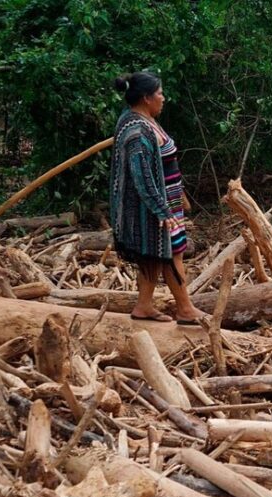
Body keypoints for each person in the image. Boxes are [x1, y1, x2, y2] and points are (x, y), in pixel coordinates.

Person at [109, 71, 206, 324]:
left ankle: (143, 306)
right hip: (150, 207)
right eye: (160, 93)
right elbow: (141, 176)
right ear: (146, 98)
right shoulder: (136, 130)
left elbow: (163, 165)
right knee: (172, 254)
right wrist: (161, 210)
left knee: (153, 254)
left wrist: (179, 196)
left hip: (167, 202)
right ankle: (184, 308)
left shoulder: (146, 120)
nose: (164, 98)